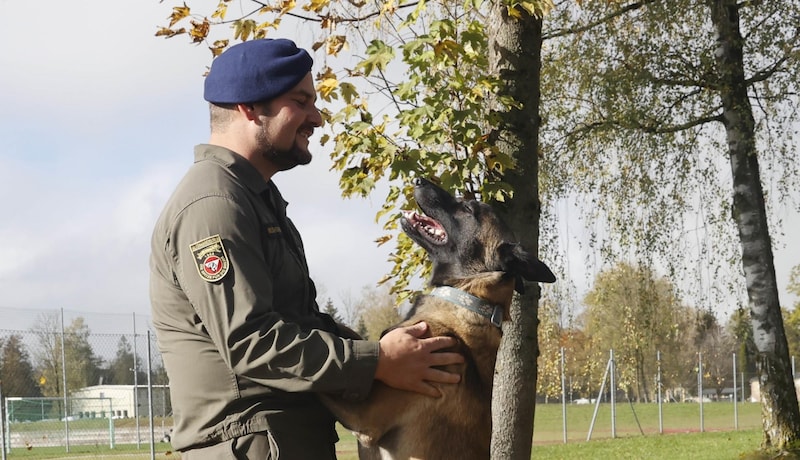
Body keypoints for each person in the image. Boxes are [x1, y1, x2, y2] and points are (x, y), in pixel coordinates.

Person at [149, 38, 464, 459]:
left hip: (279, 442)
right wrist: (377, 362)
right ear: (248, 107)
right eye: (300, 101)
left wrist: (394, 352)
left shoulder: (252, 198)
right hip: (251, 445)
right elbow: (251, 342)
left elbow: (301, 322)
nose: (316, 117)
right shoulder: (214, 205)